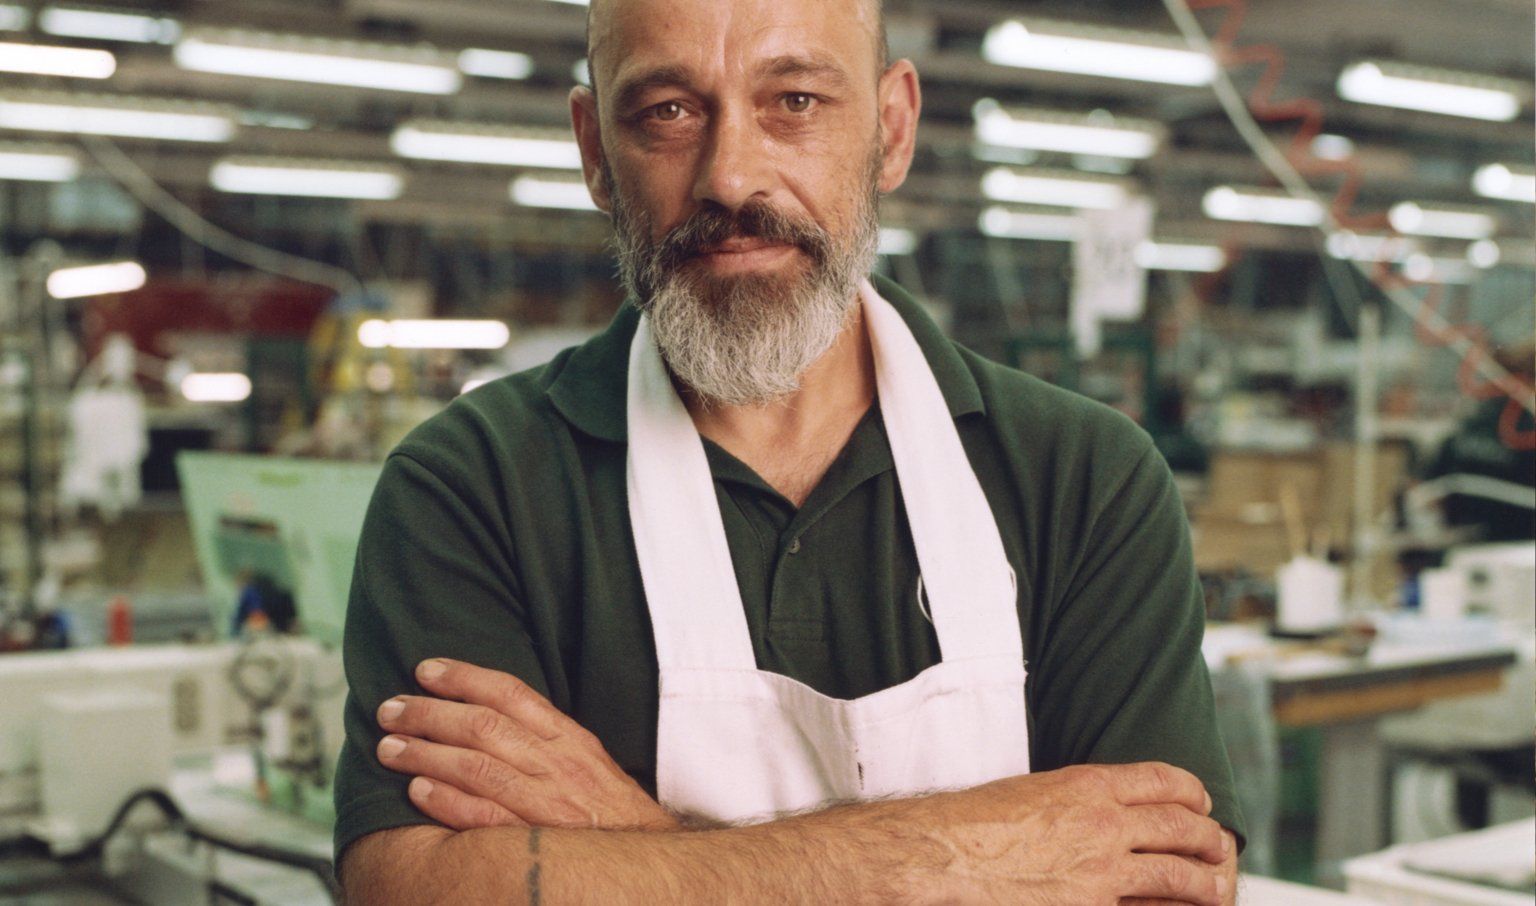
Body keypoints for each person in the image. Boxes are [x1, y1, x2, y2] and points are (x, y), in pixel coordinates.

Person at [333, 0, 1245, 901]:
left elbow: (1167, 886)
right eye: (669, 112)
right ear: (595, 155)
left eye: (796, 102)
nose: (731, 178)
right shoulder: (474, 486)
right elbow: (416, 888)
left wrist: (634, 843)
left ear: (891, 129)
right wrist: (958, 863)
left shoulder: (1084, 480)